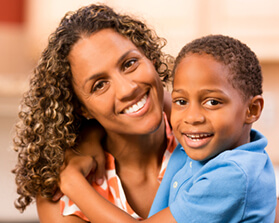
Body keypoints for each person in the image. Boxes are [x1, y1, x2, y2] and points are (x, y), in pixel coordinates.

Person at [58, 34, 277, 222]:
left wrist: (72, 182)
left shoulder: (232, 176)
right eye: (181, 102)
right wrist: (90, 134)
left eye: (212, 102)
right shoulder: (207, 143)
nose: (192, 118)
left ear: (252, 110)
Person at [12, 3, 176, 222]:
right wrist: (72, 182)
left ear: (151, 59)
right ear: (82, 108)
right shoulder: (64, 201)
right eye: (99, 85)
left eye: (130, 63)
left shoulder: (206, 138)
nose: (128, 88)